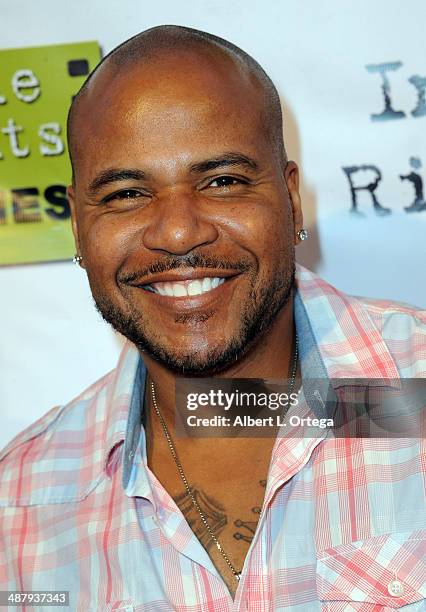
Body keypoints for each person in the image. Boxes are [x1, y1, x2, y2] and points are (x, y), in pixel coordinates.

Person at [0, 25, 425, 611]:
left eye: (222, 181)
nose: (177, 232)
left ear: (291, 198)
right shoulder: (18, 507)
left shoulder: (414, 389)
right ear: (77, 225)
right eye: (126, 193)